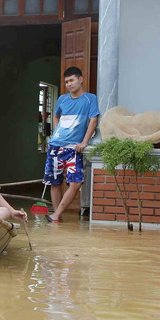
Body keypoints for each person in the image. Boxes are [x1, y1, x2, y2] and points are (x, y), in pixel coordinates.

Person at [43, 66, 99, 222]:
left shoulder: (90, 99)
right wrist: (55, 133)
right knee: (55, 182)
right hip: (55, 146)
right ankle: (57, 216)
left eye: (71, 80)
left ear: (80, 80)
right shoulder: (62, 99)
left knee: (76, 182)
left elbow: (93, 121)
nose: (68, 84)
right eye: (66, 81)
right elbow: (56, 116)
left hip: (74, 148)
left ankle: (56, 213)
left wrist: (84, 142)